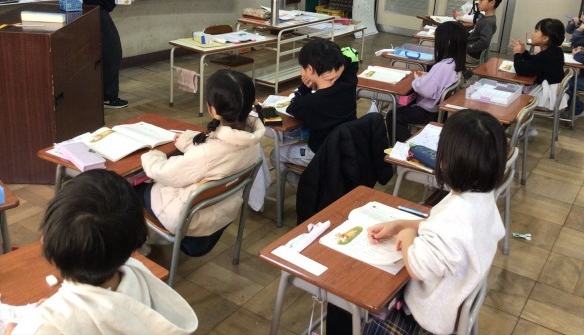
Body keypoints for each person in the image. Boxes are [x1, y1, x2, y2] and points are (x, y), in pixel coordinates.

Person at [362, 110, 506, 335]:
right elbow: (437, 224)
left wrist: (407, 237)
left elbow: (417, 267)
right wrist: (400, 225)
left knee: (359, 298)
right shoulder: (479, 199)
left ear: (448, 163)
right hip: (452, 300)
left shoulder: (458, 214)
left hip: (425, 320)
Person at [8, 170, 198, 334]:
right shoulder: (137, 273)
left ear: (44, 241)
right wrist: (56, 312)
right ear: (135, 246)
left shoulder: (42, 327)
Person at [139, 69, 264, 257]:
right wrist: (188, 141)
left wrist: (151, 155)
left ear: (212, 109)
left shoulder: (206, 153)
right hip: (223, 211)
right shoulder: (252, 139)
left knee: (127, 189)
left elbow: (164, 172)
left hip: (188, 218)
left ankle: (139, 245)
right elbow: (214, 152)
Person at [274, 40, 359, 186]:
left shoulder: (310, 103)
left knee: (275, 154)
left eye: (302, 67)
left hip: (320, 152)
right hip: (346, 148)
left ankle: (305, 190)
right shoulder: (349, 81)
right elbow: (352, 57)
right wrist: (341, 67)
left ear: (310, 69)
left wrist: (305, 87)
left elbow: (292, 106)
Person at [386, 21, 468, 142]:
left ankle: (406, 146)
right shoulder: (454, 63)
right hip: (438, 111)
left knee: (392, 116)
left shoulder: (442, 66)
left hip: (427, 111)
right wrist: (428, 76)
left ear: (448, 43)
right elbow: (438, 81)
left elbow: (426, 90)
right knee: (400, 107)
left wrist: (417, 80)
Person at [509, 18, 565, 85]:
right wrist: (523, 52)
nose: (533, 34)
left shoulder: (547, 56)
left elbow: (521, 70)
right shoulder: (555, 51)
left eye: (536, 31)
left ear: (545, 38)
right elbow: (534, 61)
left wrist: (517, 54)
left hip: (545, 90)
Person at [466, 0, 502, 64]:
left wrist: (467, 48)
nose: (479, 2)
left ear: (492, 3)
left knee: (447, 50)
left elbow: (484, 42)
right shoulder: (485, 18)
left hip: (471, 55)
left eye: (481, 0)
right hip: (470, 51)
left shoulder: (487, 22)